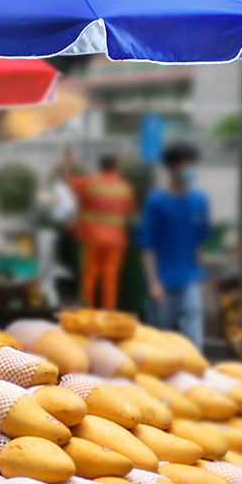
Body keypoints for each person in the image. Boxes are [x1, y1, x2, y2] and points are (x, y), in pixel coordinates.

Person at [137, 141, 209, 351]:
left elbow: (198, 243)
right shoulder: (156, 202)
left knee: (193, 343)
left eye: (192, 163)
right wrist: (153, 283)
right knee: (159, 345)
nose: (190, 169)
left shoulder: (199, 201)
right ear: (172, 167)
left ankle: (196, 381)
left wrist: (201, 276)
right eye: (185, 163)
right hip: (162, 284)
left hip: (189, 280)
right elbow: (147, 246)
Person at [64, 148, 136, 310]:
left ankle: (86, 312)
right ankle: (108, 313)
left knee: (89, 277)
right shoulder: (125, 188)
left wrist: (68, 161)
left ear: (100, 167)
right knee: (110, 278)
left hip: (91, 239)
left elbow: (68, 182)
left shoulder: (90, 183)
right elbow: (130, 211)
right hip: (115, 241)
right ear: (116, 168)